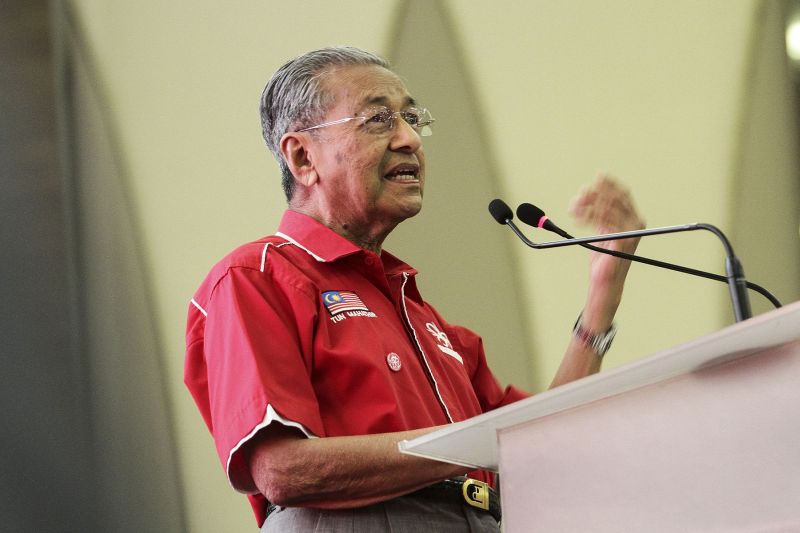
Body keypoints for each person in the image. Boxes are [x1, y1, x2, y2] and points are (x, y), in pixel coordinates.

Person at [184, 46, 644, 532]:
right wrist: (465, 444)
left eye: (411, 118)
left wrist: (603, 291)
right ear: (303, 156)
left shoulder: (426, 322)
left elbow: (542, 443)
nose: (409, 139)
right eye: (379, 120)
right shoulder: (255, 277)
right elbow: (281, 470)